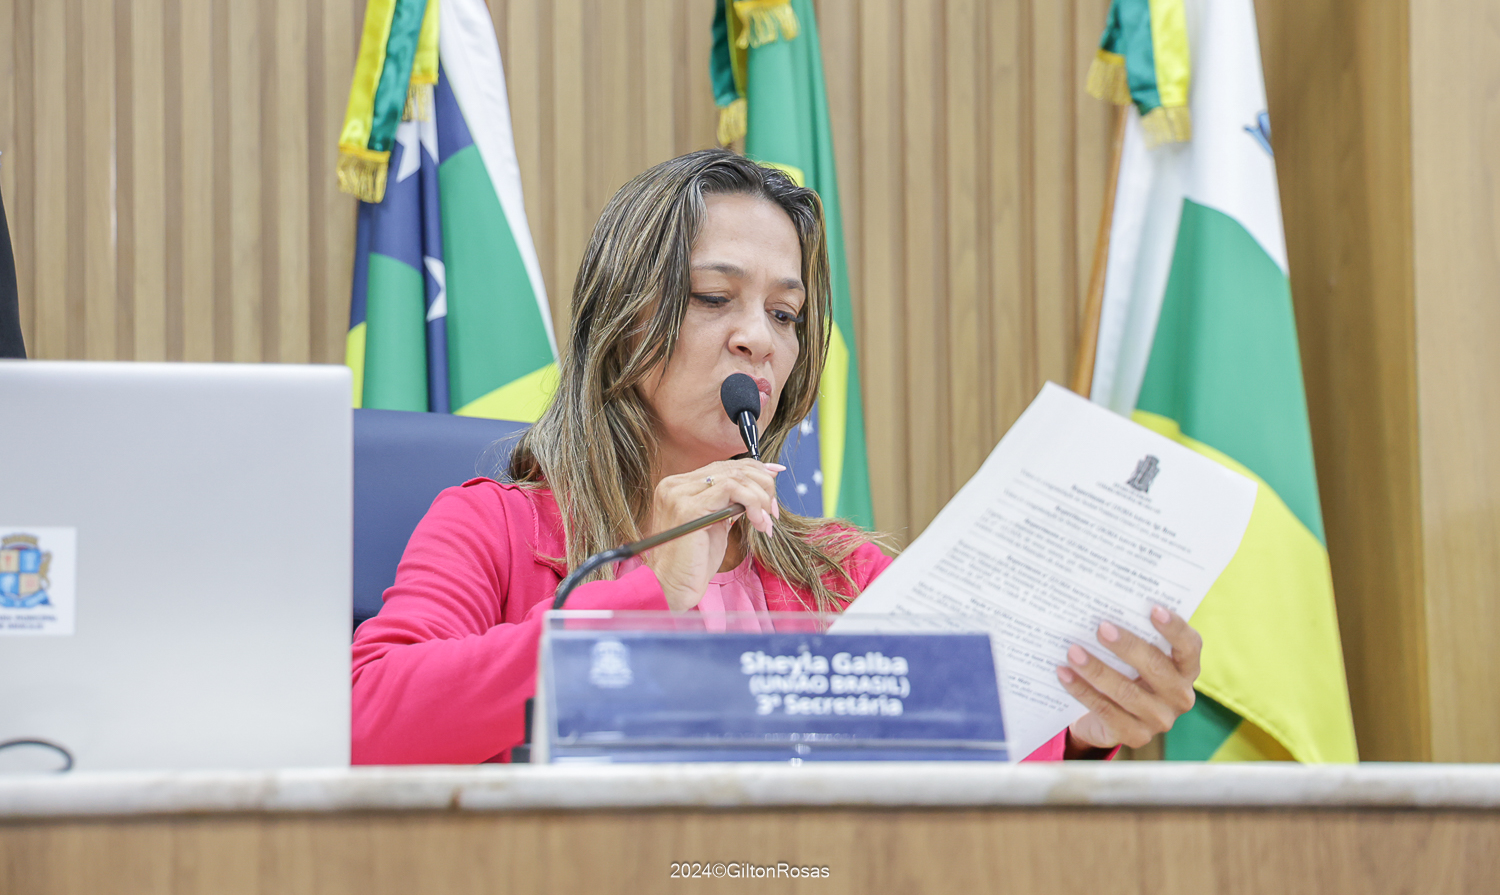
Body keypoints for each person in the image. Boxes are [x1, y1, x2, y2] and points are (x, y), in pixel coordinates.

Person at [351, 149, 1203, 765]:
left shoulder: (846, 575)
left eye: (786, 315)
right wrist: (652, 594)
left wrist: (1084, 722)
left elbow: (967, 755)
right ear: (621, 322)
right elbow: (366, 718)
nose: (758, 338)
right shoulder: (494, 527)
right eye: (713, 297)